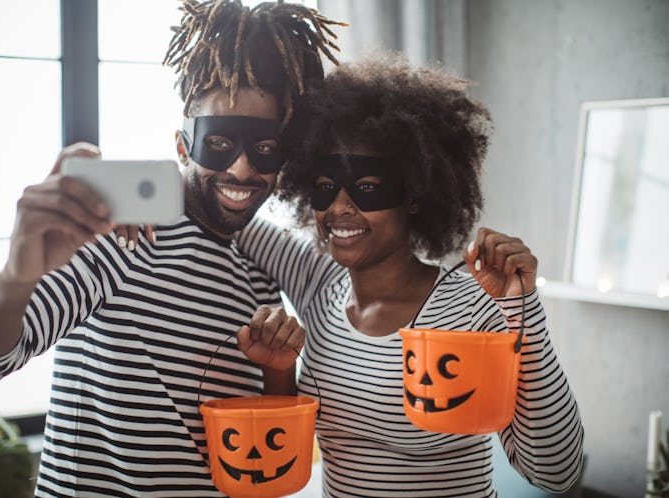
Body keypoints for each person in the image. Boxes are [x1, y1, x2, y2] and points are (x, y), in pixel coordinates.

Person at [0, 1, 343, 496]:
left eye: (264, 150)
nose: (242, 170)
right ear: (182, 147)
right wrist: (16, 276)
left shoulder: (259, 265)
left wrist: (279, 373)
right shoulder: (125, 231)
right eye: (219, 142)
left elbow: (263, 439)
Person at [235, 53, 586, 497]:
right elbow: (230, 209)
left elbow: (556, 470)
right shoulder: (317, 282)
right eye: (325, 187)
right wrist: (130, 209)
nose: (340, 206)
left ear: (415, 195)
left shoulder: (473, 305)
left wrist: (522, 307)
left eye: (367, 187)